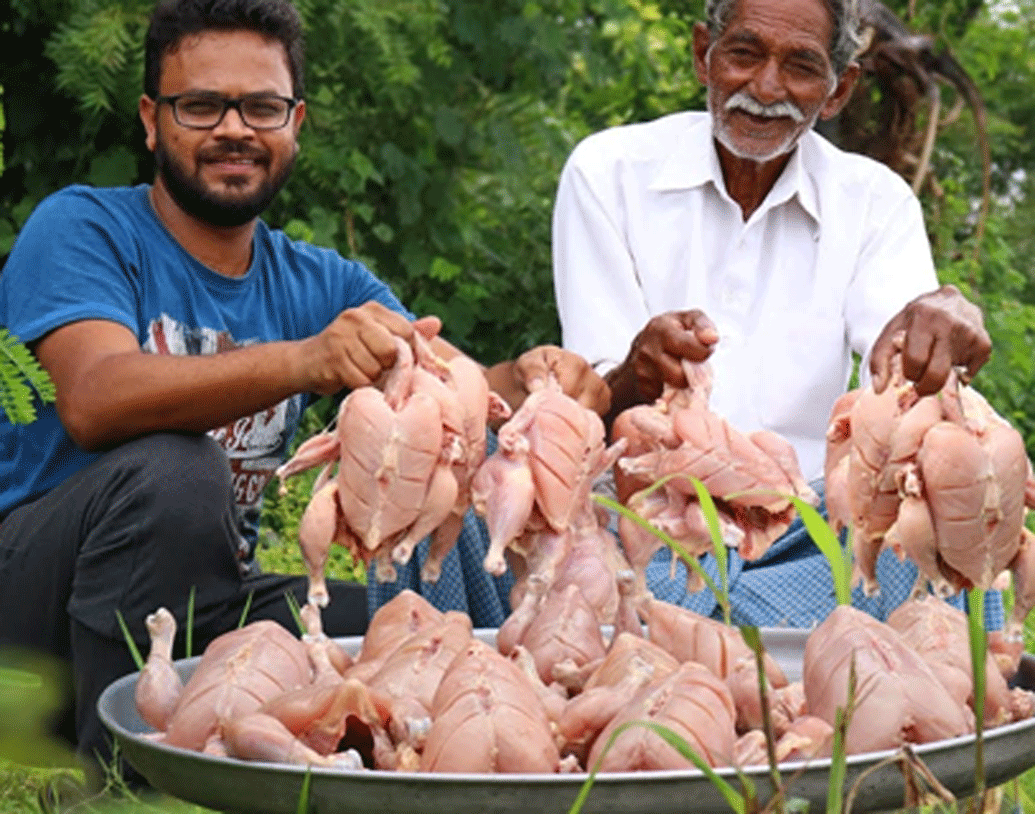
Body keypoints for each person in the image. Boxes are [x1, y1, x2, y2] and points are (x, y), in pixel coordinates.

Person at [0, 0, 608, 782]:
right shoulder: (83, 228)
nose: (234, 129)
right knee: (177, 473)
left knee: (413, 631)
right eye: (200, 106)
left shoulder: (321, 280)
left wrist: (529, 379)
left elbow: (454, 384)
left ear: (295, 123)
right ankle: (115, 782)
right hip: (36, 603)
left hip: (206, 598)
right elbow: (95, 397)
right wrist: (303, 362)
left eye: (261, 107)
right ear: (152, 121)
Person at [551, 0, 1002, 629]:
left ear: (838, 90)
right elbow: (586, 400)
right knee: (505, 501)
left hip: (811, 538)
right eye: (744, 53)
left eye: (800, 66)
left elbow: (903, 369)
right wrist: (636, 373)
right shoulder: (609, 173)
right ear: (702, 55)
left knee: (948, 528)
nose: (765, 88)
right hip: (644, 520)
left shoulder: (874, 203)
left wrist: (938, 326)